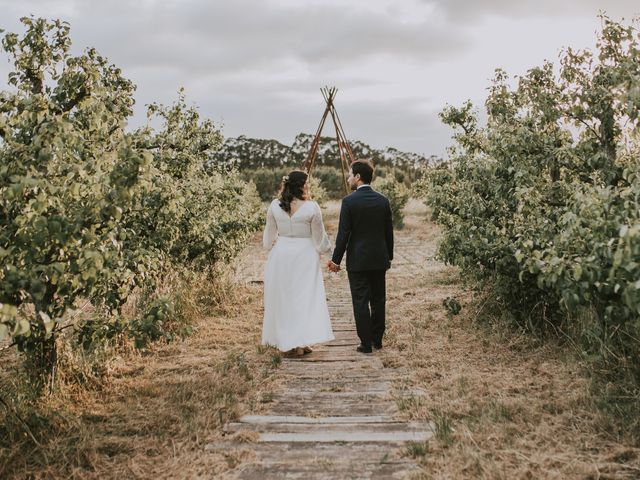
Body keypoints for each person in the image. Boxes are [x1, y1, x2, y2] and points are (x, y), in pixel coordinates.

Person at [262, 170, 335, 357]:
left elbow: (267, 241)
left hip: (282, 255)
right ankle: (300, 342)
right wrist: (332, 255)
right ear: (303, 185)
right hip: (305, 256)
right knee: (303, 299)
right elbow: (320, 240)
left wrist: (276, 245)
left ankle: (292, 342)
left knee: (284, 299)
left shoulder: (274, 206)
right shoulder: (312, 207)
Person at [328, 160, 393, 354]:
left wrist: (336, 260)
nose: (348, 178)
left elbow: (344, 234)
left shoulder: (349, 202)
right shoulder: (383, 200)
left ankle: (365, 344)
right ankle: (377, 340)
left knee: (360, 300)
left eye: (350, 175)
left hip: (358, 260)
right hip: (379, 259)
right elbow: (388, 232)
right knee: (378, 300)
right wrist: (388, 256)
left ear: (357, 177)